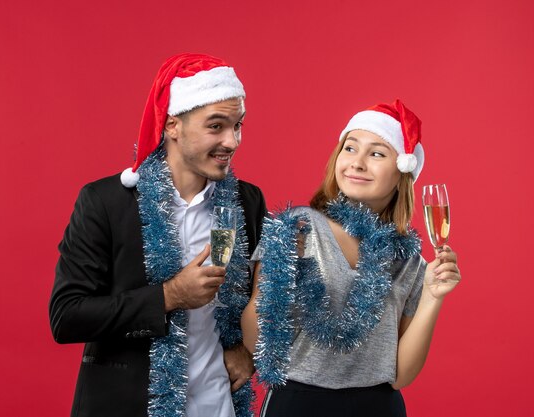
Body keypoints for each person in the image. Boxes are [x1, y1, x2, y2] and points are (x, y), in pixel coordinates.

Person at [49, 53, 267, 417]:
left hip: (219, 406)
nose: (232, 141)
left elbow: (260, 299)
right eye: (216, 126)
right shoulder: (105, 202)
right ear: (172, 126)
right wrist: (169, 296)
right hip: (128, 405)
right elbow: (67, 316)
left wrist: (246, 352)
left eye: (238, 125)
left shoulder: (246, 201)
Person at [242, 100, 462, 416]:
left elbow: (401, 375)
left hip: (379, 406)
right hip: (298, 403)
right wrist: (275, 282)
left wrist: (432, 296)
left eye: (376, 153)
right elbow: (256, 344)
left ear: (402, 172)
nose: (357, 163)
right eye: (350, 148)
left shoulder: (409, 261)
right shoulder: (297, 228)